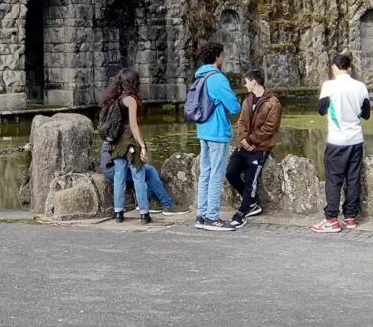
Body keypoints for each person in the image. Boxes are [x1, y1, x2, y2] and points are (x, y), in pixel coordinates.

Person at [311, 53, 371, 234]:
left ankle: (331, 219)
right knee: (353, 179)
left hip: (337, 140)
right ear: (350, 68)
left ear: (333, 68)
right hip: (356, 140)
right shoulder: (360, 86)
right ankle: (351, 217)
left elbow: (321, 110)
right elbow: (366, 114)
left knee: (334, 180)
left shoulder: (329, 86)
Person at [191, 40, 242, 232]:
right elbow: (234, 106)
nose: (223, 58)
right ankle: (212, 217)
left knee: (205, 172)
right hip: (217, 131)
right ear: (216, 56)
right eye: (222, 55)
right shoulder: (217, 78)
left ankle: (201, 215)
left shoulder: (200, 77)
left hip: (202, 130)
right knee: (216, 174)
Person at [226, 68, 281, 228]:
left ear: (254, 82)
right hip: (244, 146)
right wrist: (243, 140)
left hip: (261, 148)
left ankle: (242, 213)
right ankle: (252, 203)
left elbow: (269, 128)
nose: (245, 85)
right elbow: (241, 122)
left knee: (252, 180)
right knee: (231, 172)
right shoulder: (247, 100)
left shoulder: (273, 102)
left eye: (246, 82)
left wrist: (251, 140)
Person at [101, 69, 153, 223]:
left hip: (117, 143)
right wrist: (142, 146)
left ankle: (118, 213)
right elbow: (133, 125)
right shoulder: (130, 100)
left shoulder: (114, 99)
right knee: (138, 175)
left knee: (119, 177)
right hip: (130, 141)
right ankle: (144, 213)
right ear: (133, 83)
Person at [99, 142, 183, 215]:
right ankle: (167, 204)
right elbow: (129, 154)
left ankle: (147, 203)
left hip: (107, 168)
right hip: (117, 168)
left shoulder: (111, 131)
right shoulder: (126, 132)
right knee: (150, 171)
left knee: (146, 171)